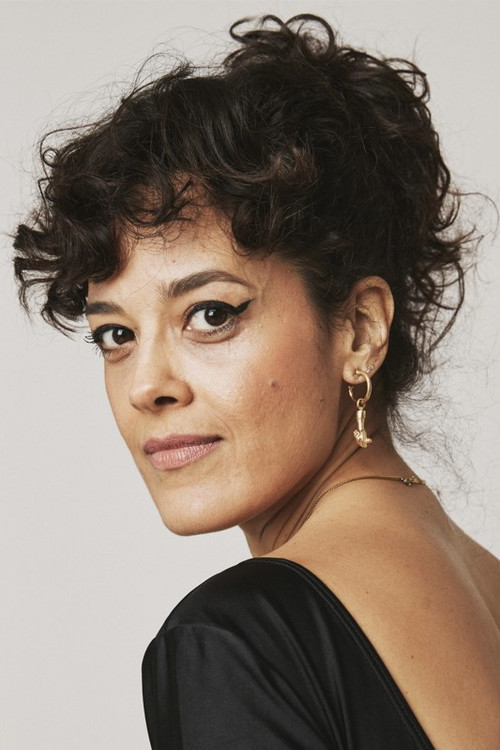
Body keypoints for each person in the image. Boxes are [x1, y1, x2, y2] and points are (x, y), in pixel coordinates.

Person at [12, 13, 500, 749]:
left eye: (210, 315)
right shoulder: (483, 589)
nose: (147, 386)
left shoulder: (237, 638)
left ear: (359, 328)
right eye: (116, 334)